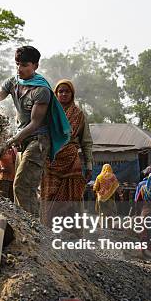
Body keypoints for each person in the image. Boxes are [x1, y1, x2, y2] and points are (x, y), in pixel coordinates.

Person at [0, 46, 71, 216]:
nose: (19, 69)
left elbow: (35, 123)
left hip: (38, 141)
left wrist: (10, 141)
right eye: (17, 64)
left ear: (35, 66)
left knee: (22, 185)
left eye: (24, 65)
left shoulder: (41, 90)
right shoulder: (13, 82)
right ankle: (24, 226)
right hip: (22, 141)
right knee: (20, 187)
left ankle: (33, 230)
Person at [40, 80, 93, 225]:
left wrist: (89, 165)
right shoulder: (48, 113)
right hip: (51, 159)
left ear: (72, 94)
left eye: (67, 91)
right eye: (60, 91)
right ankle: (48, 228)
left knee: (73, 196)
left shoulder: (79, 115)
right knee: (49, 195)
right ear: (55, 94)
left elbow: (86, 142)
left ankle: (74, 231)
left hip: (71, 161)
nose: (63, 94)